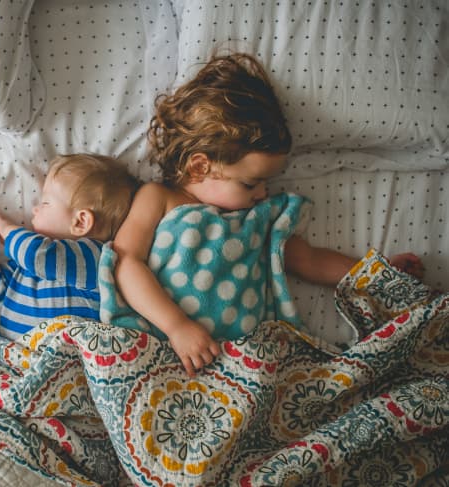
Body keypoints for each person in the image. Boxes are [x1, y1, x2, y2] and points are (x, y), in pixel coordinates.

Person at [98, 52, 425, 377]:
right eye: (250, 183)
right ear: (200, 166)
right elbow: (126, 264)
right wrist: (177, 326)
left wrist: (378, 275)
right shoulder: (158, 198)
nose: (262, 192)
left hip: (248, 364)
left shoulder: (259, 219)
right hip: (167, 351)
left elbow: (309, 260)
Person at [0, 153, 140, 340]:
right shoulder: (26, 264)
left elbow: (37, 254)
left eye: (46, 203)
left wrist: (8, 230)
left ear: (81, 222)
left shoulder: (95, 257)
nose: (35, 209)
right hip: (16, 362)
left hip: (67, 364)